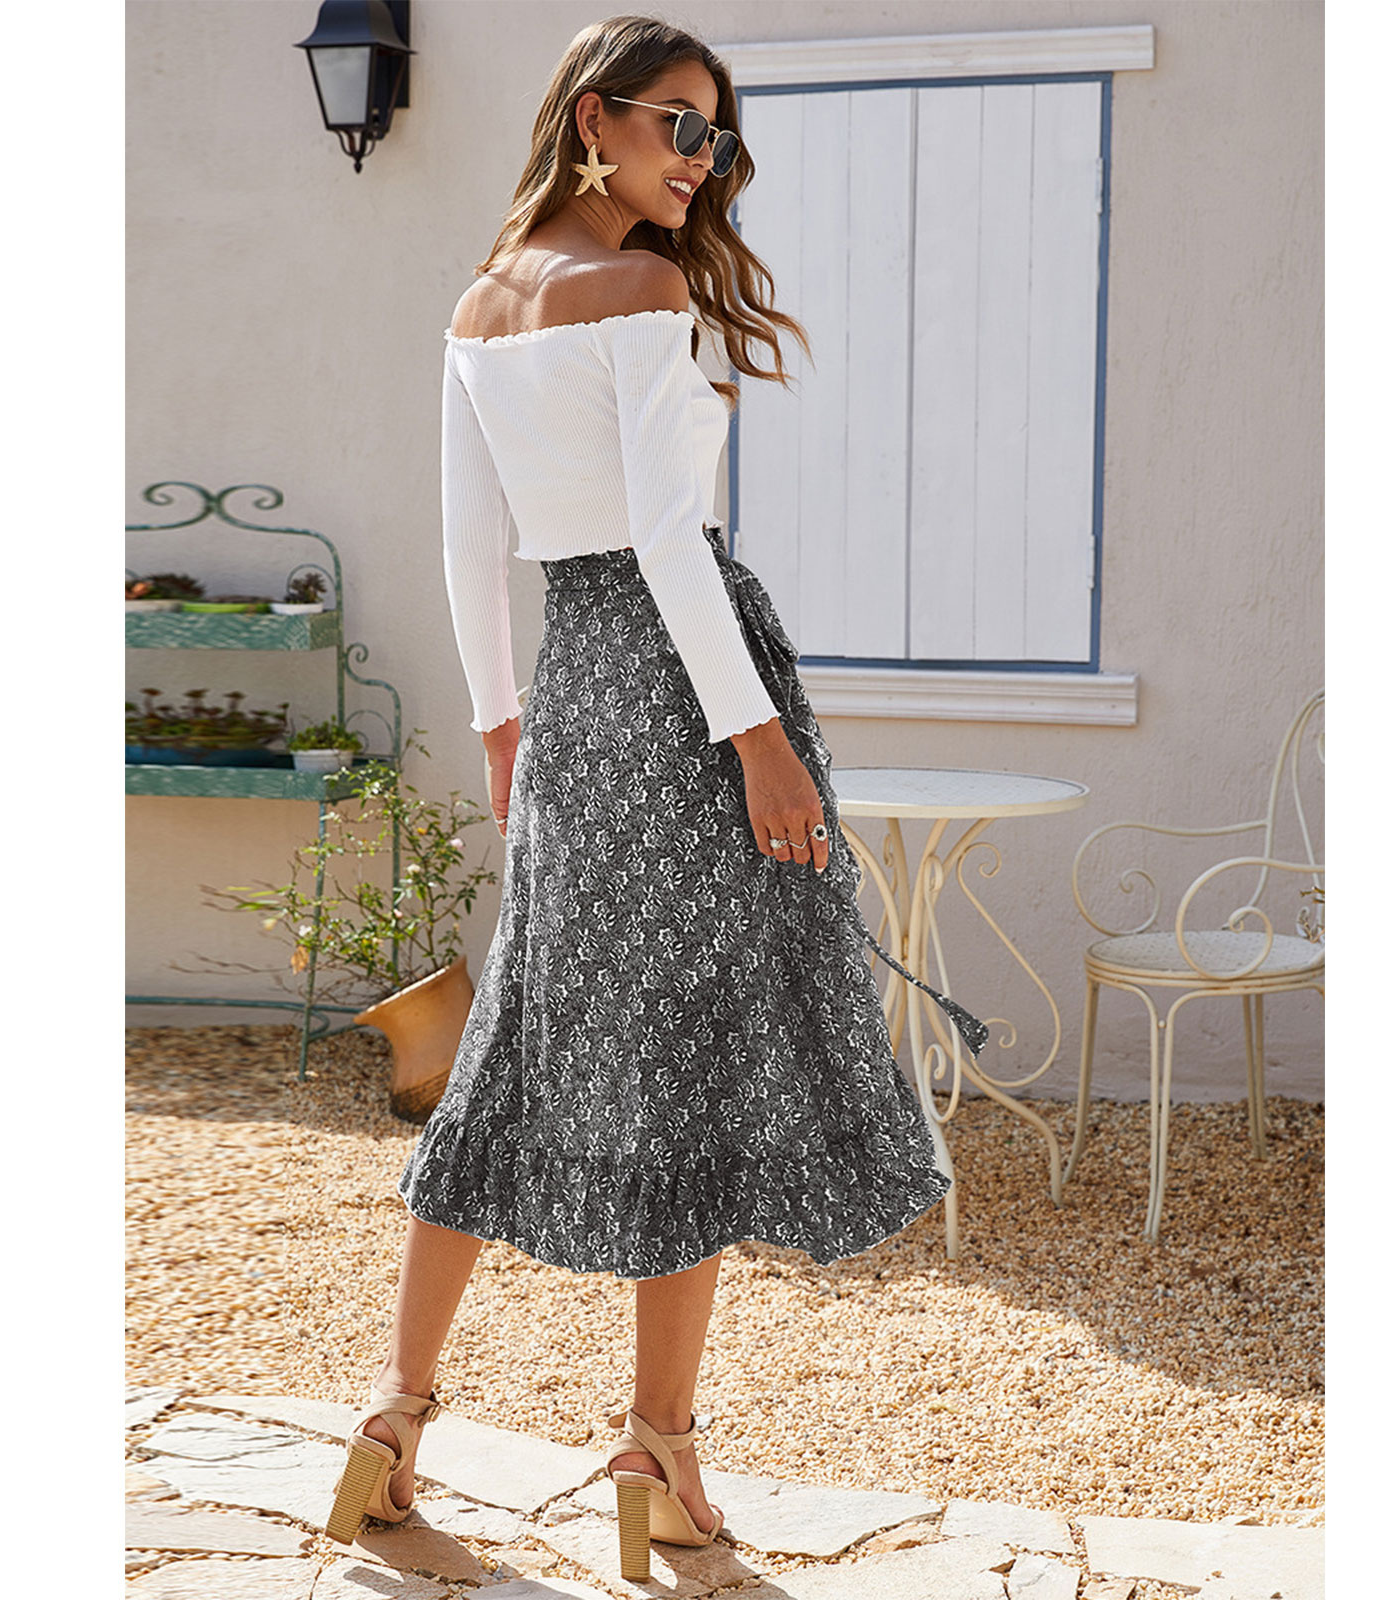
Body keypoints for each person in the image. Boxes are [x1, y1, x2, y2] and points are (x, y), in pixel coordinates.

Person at [325, 14, 987, 1580]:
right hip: (688, 694)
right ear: (594, 120)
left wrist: (503, 728)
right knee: (693, 1053)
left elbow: (469, 545)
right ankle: (657, 1448)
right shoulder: (639, 291)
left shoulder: (481, 304)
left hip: (571, 692)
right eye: (679, 125)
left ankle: (394, 1417)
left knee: (519, 1038)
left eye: (718, 135)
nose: (704, 158)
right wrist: (757, 741)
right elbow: (672, 544)